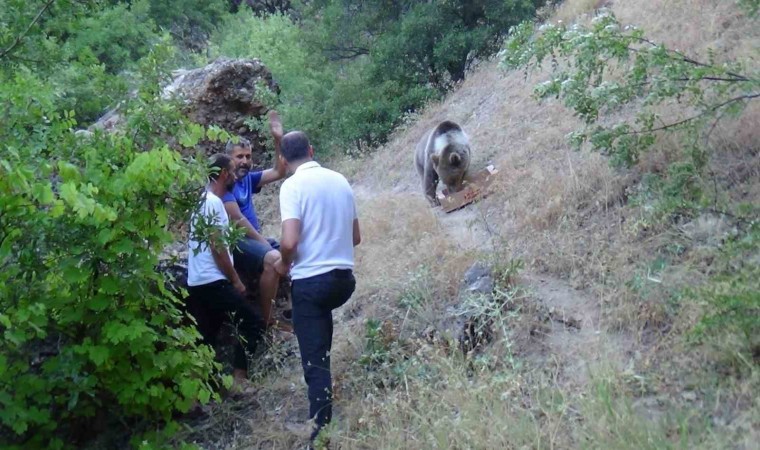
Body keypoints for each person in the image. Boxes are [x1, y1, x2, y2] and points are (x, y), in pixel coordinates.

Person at [275, 131, 361, 442]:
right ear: (312, 150)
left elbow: (289, 240)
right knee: (319, 333)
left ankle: (320, 433)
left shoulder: (291, 186)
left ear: (283, 161)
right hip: (343, 281)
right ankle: (322, 414)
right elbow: (355, 238)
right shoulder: (340, 179)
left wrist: (283, 264)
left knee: (314, 361)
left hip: (312, 284)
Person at [187, 153, 263, 387]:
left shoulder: (201, 200)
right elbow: (217, 246)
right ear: (222, 174)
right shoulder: (213, 203)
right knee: (252, 322)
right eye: (230, 171)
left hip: (196, 281)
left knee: (206, 336)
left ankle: (194, 396)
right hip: (213, 280)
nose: (234, 176)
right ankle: (239, 380)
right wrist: (235, 280)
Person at [223, 111, 288, 330]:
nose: (244, 161)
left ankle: (296, 308)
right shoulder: (225, 185)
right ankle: (268, 320)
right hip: (236, 242)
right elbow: (238, 220)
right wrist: (263, 242)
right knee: (272, 258)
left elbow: (280, 171)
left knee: (296, 252)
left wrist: (278, 139)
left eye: (248, 157)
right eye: (239, 157)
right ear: (229, 159)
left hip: (254, 240)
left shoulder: (248, 179)